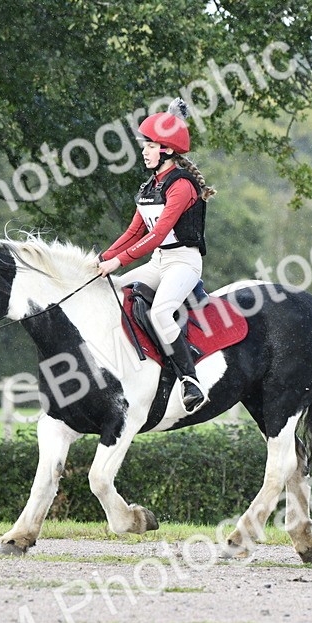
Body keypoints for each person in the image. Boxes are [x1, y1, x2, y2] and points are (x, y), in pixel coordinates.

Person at [97, 98, 217, 414]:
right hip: (158, 263)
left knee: (161, 312)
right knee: (119, 292)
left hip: (184, 262)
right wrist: (102, 259)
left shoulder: (182, 186)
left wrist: (118, 261)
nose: (144, 152)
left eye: (149, 147)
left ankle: (190, 381)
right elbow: (134, 232)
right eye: (145, 147)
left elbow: (158, 235)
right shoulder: (149, 186)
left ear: (165, 149)